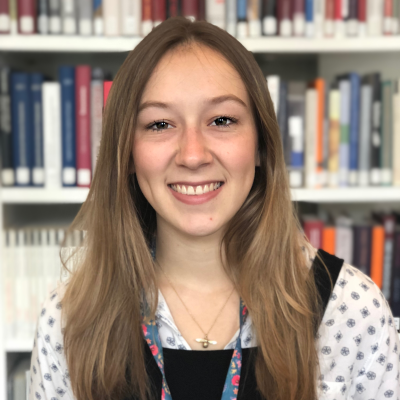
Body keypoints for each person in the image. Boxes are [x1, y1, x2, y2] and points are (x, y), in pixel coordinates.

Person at [28, 16, 399, 400]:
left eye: (222, 120)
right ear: (128, 154)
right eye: (159, 124)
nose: (192, 154)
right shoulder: (68, 321)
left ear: (260, 144)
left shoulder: (352, 311)